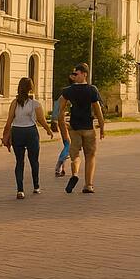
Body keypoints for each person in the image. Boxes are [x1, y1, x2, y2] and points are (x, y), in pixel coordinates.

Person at [0, 76, 53, 199]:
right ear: (31, 88)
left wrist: (5, 134)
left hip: (17, 132)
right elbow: (41, 120)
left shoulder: (14, 103)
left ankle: (20, 190)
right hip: (30, 132)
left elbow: (9, 121)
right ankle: (36, 186)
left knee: (19, 162)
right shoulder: (35, 104)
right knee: (34, 160)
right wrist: (48, 130)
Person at [56, 63, 106, 194]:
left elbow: (61, 109)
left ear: (84, 74)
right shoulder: (92, 90)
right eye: (74, 74)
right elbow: (97, 110)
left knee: (75, 156)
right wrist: (102, 127)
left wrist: (60, 122)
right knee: (90, 155)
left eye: (76, 73)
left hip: (74, 128)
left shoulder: (68, 91)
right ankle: (88, 185)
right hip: (88, 128)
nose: (74, 76)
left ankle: (76, 174)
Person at [51, 89, 70, 177]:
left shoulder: (62, 96)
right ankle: (59, 166)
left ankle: (62, 168)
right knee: (68, 145)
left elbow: (55, 108)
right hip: (66, 121)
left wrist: (54, 120)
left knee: (68, 145)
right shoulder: (65, 96)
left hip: (64, 121)